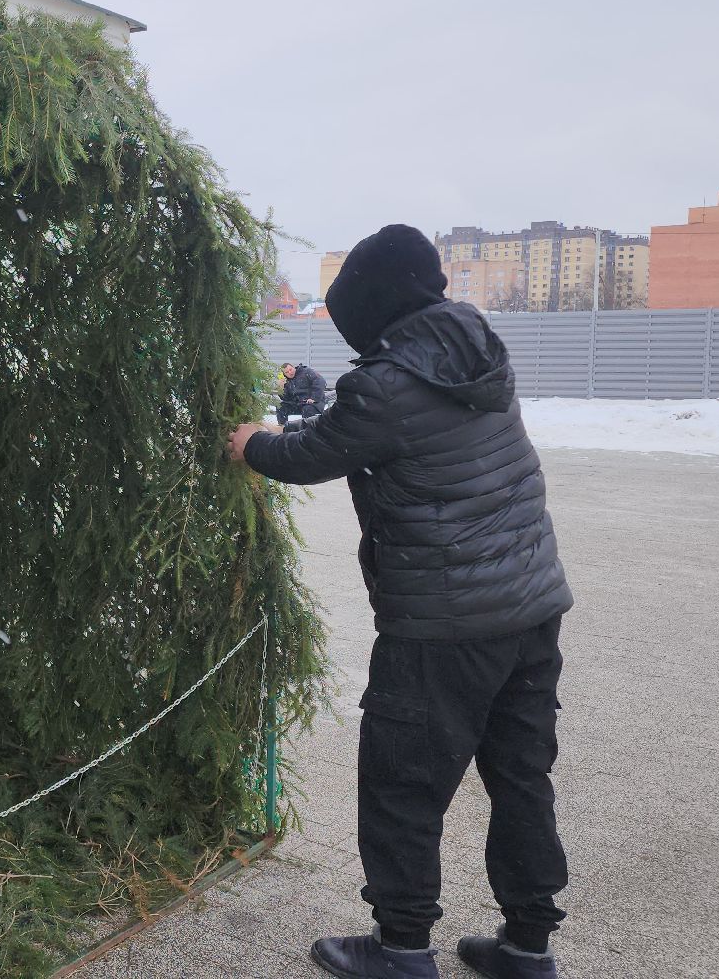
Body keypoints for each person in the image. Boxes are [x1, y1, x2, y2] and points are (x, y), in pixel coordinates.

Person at [227, 224, 571, 979]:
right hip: (531, 607)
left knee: (402, 783)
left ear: (370, 307)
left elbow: (309, 453)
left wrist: (250, 441)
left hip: (444, 623)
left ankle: (403, 948)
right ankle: (527, 946)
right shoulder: (477, 348)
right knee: (520, 775)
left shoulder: (386, 383)